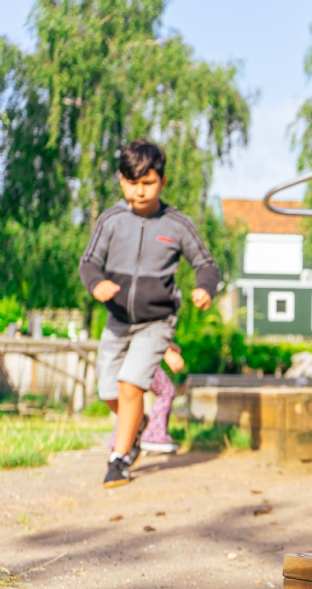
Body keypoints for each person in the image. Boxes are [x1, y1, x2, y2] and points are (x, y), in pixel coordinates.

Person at [80, 139, 218, 488]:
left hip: (156, 322)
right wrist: (97, 284)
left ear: (162, 181)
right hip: (117, 321)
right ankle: (137, 423)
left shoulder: (177, 224)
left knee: (131, 386)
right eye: (131, 182)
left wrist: (205, 287)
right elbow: (90, 262)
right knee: (109, 390)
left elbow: (205, 263)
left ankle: (119, 459)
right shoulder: (111, 220)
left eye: (147, 183)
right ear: (121, 180)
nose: (139, 191)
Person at [107, 344, 183, 455]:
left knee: (128, 398)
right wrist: (167, 351)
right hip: (140, 356)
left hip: (123, 356)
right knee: (166, 391)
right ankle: (153, 436)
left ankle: (118, 442)